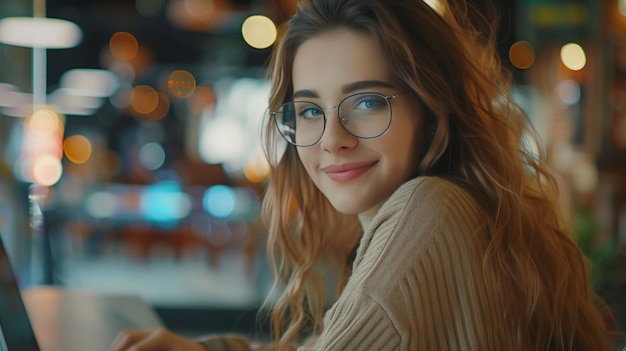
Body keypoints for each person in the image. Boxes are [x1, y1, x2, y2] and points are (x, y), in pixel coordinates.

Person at [110, 0, 620, 350]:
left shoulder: (429, 208)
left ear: (433, 107)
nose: (333, 138)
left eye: (368, 102)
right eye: (309, 111)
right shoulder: (455, 209)